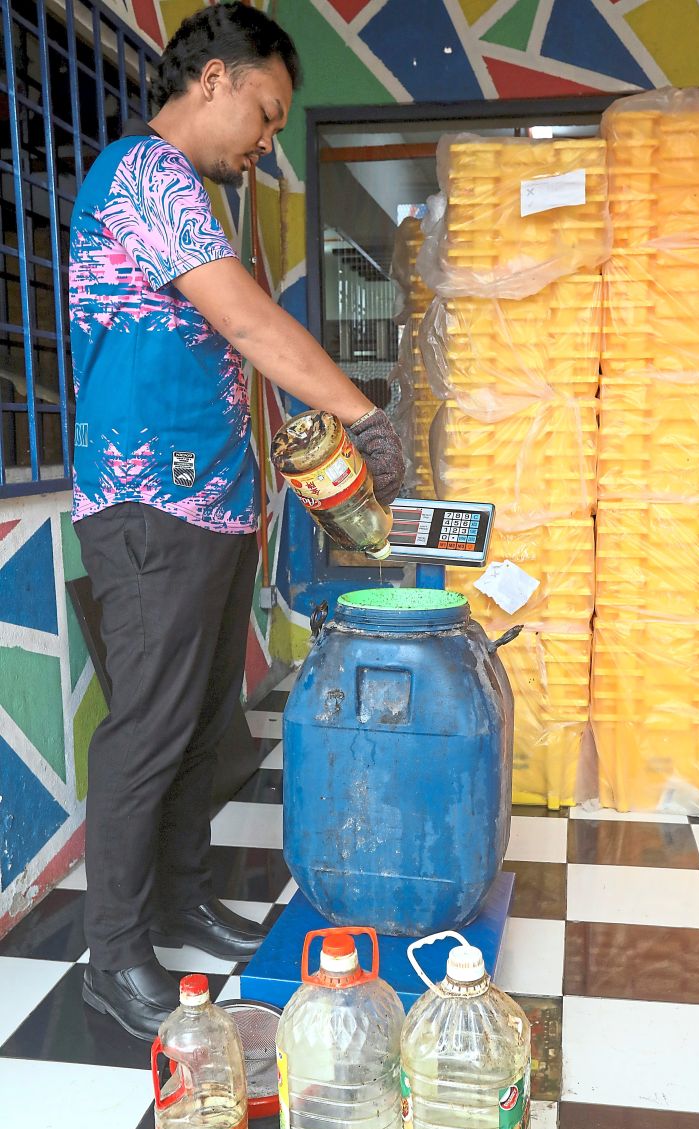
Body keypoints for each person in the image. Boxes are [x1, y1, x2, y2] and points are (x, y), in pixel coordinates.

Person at [69, 3, 404, 1041]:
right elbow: (250, 324)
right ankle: (114, 951)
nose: (267, 141)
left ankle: (178, 898)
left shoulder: (200, 203)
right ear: (211, 78)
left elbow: (241, 345)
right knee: (151, 727)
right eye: (264, 114)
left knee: (205, 728)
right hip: (147, 499)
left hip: (210, 502)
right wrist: (363, 412)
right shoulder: (142, 175)